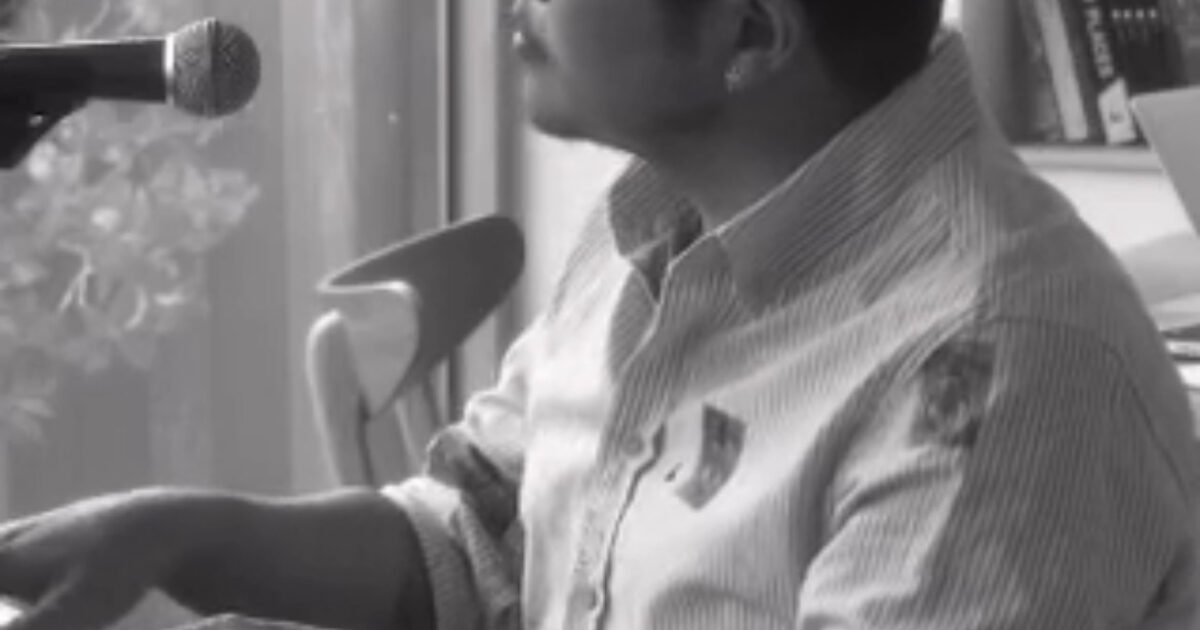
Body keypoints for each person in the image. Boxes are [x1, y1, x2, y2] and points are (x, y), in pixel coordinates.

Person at [1, 0, 1198, 628]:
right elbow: (487, 541)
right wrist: (179, 539)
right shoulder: (662, 216)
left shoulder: (1001, 376)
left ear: (747, 32)